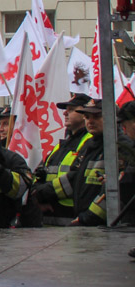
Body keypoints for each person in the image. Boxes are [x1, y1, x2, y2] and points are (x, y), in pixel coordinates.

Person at [32, 93, 91, 225]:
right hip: (50, 223)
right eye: (66, 110)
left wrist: (41, 194)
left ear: (85, 114)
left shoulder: (90, 142)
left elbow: (77, 178)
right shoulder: (60, 146)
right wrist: (36, 195)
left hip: (72, 220)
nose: (65, 113)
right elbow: (38, 174)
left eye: (71, 110)